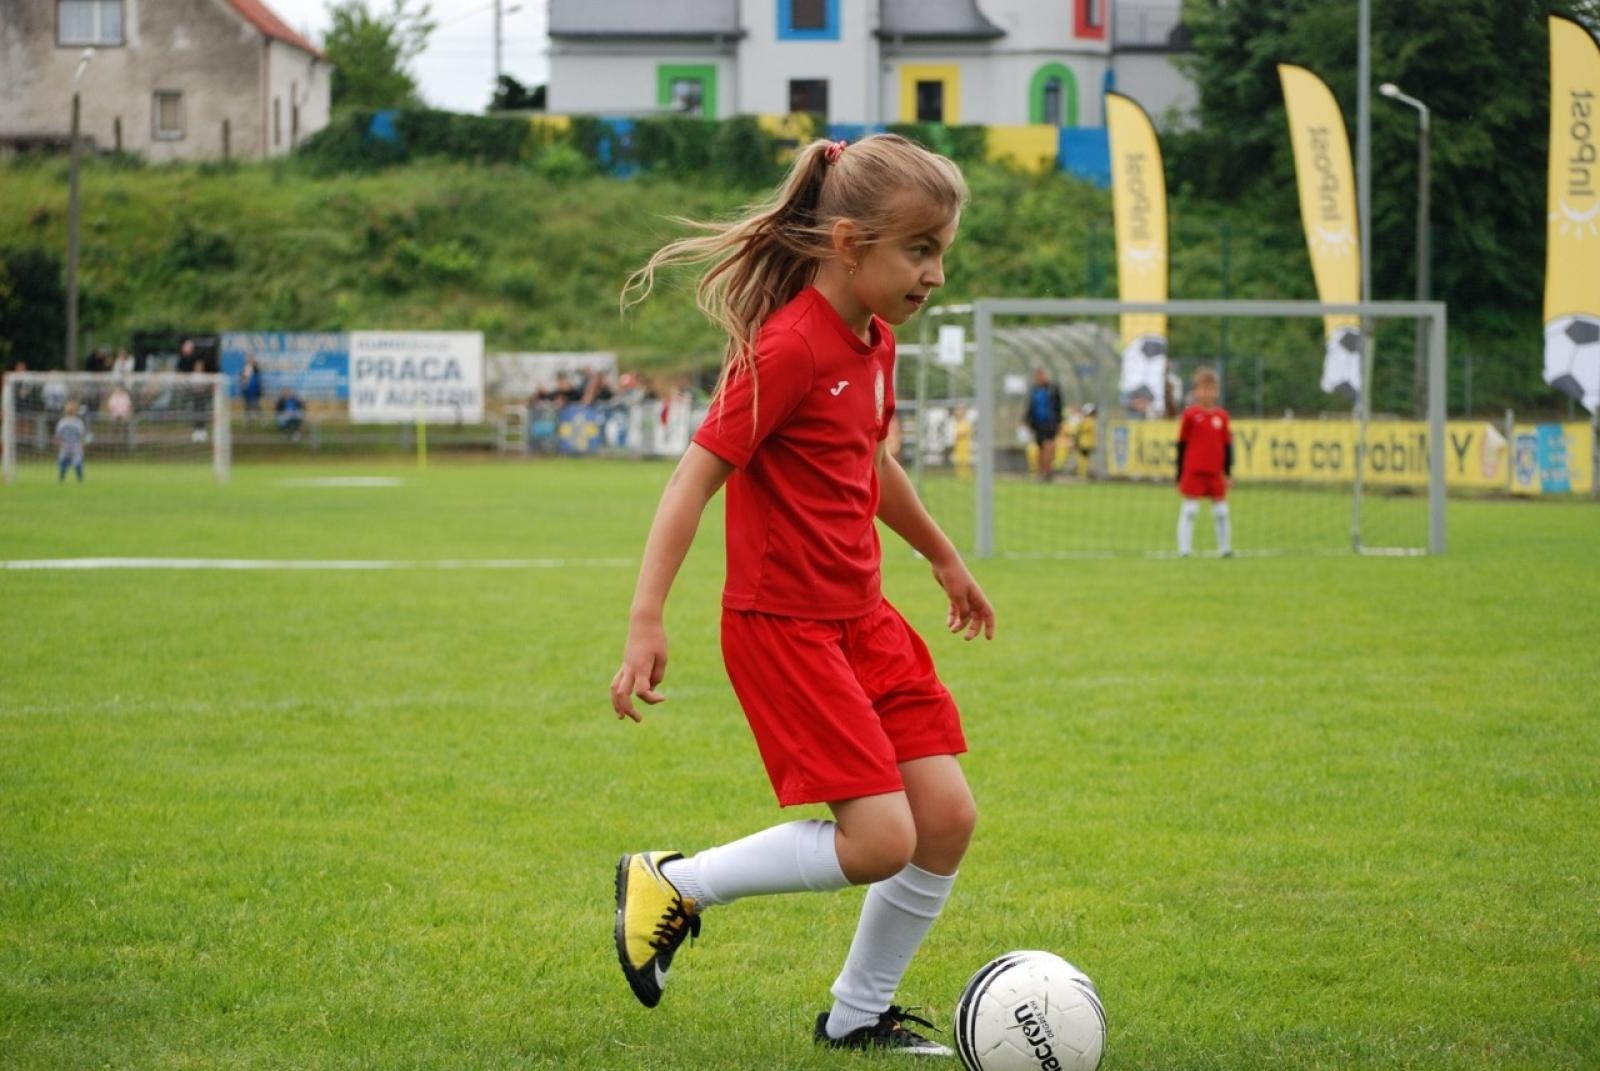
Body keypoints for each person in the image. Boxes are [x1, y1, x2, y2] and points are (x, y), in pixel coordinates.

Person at [608, 134, 995, 1056]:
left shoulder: (876, 340)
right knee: (878, 840)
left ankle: (857, 1016)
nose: (935, 272)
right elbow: (692, 480)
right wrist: (646, 618)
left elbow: (870, 455)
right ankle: (676, 881)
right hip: (784, 629)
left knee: (944, 818)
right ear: (850, 243)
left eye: (943, 250)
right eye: (920, 250)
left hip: (864, 621)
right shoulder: (784, 348)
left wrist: (942, 556)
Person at [1176, 366, 1233, 557]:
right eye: (1203, 388)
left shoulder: (1222, 417)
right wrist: (1179, 472)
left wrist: (1228, 473)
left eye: (1211, 389)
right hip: (1194, 470)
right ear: (1196, 391)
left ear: (1216, 391)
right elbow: (1181, 444)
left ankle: (1225, 549)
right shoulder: (1190, 415)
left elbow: (1227, 446)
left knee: (1222, 512)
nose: (1207, 393)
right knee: (1190, 510)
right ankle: (1184, 549)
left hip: (1215, 471)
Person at [1023, 367, 1063, 481]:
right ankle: (1042, 471)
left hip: (1050, 422)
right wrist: (1026, 420)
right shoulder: (1034, 390)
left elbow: (1059, 406)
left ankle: (1047, 471)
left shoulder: (1053, 389)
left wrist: (1059, 422)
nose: (1039, 378)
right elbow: (1030, 406)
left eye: (1041, 375)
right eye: (1037, 376)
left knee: (1048, 446)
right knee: (1040, 448)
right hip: (1037, 424)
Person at [55, 399, 87, 483]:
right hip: (74, 446)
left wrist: (60, 445)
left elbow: (58, 436)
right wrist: (82, 448)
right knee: (75, 463)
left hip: (67, 446)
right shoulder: (77, 422)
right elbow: (82, 436)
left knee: (66, 463)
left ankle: (62, 479)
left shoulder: (62, 422)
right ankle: (79, 480)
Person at [1075, 402, 1097, 479]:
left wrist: (1080, 421)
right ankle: (1084, 473)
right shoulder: (1092, 420)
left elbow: (1080, 429)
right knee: (1085, 458)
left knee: (1083, 458)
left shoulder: (1087, 421)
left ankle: (1082, 474)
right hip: (1088, 443)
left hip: (1084, 443)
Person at [240, 356, 264, 423]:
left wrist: (259, 390)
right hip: (247, 391)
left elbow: (259, 379)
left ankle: (260, 419)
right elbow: (242, 380)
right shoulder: (244, 368)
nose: (250, 360)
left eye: (251, 359)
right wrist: (243, 387)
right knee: (247, 405)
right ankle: (248, 420)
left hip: (255, 390)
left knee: (257, 405)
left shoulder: (256, 369)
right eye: (249, 359)